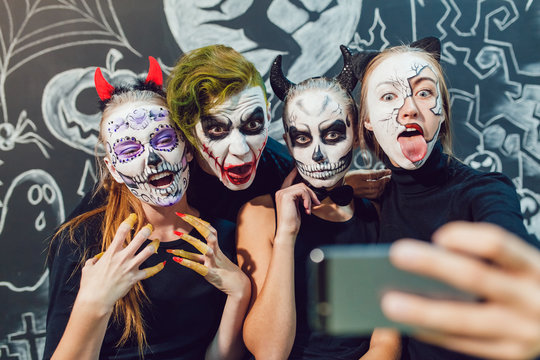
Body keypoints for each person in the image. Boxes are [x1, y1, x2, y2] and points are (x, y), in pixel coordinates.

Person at [44, 57, 250, 360]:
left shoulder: (223, 238)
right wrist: (94, 302)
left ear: (188, 148)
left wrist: (240, 292)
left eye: (164, 140)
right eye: (130, 150)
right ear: (113, 169)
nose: (152, 159)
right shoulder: (82, 242)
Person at [353, 36, 537, 359]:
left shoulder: (485, 190)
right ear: (367, 120)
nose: (410, 108)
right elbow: (386, 339)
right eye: (388, 96)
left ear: (442, 111)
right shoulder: (381, 200)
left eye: (425, 93)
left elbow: (513, 252)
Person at [236, 46, 401, 360]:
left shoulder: (376, 211)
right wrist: (285, 236)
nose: (317, 154)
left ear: (356, 135)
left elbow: (386, 343)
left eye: (333, 134)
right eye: (302, 138)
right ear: (287, 141)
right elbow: (269, 352)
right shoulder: (260, 215)